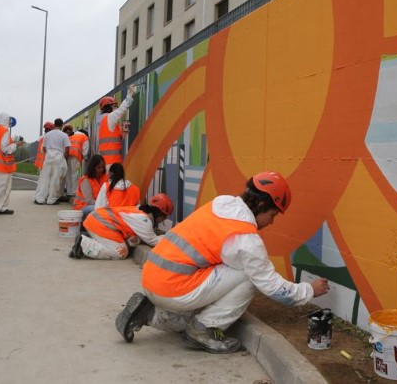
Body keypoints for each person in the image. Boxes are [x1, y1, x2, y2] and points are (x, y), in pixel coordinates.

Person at [115, 171, 330, 353]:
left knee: (219, 282)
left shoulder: (222, 203)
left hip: (152, 277)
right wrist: (309, 290)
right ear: (262, 204)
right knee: (248, 276)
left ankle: (151, 314)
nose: (272, 222)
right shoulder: (246, 239)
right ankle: (203, 330)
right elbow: (273, 287)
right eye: (273, 214)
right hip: (173, 288)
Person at [69, 193, 174, 260]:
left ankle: (89, 238)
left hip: (98, 220)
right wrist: (171, 236)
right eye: (164, 218)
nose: (162, 221)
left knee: (132, 241)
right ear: (160, 214)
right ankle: (83, 244)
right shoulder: (144, 220)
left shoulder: (140, 211)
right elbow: (153, 241)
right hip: (99, 223)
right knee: (120, 252)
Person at [98, 85, 137, 171]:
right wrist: (129, 96)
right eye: (115, 106)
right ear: (109, 107)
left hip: (108, 163)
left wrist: (124, 131)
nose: (116, 108)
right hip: (112, 163)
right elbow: (121, 110)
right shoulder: (109, 118)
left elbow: (119, 139)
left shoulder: (106, 122)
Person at [34, 118, 70, 205]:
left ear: (54, 125)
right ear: (61, 126)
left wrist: (49, 154)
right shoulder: (64, 135)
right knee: (55, 179)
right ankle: (52, 199)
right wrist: (63, 157)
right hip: (59, 157)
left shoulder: (47, 135)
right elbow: (67, 148)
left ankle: (40, 198)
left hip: (48, 157)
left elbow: (44, 148)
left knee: (45, 178)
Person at [63, 124, 89, 201]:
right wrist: (85, 157)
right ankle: (73, 192)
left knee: (68, 174)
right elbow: (85, 150)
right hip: (76, 156)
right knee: (74, 174)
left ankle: (69, 191)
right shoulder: (84, 137)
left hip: (67, 155)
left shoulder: (72, 135)